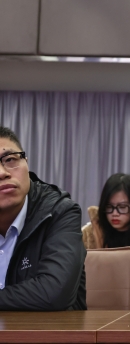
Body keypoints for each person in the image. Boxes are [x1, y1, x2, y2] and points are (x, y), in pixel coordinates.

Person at [0, 126, 86, 310]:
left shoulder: (59, 211)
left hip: (50, 328)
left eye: (10, 159)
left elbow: (54, 293)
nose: (2, 173)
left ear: (26, 163)